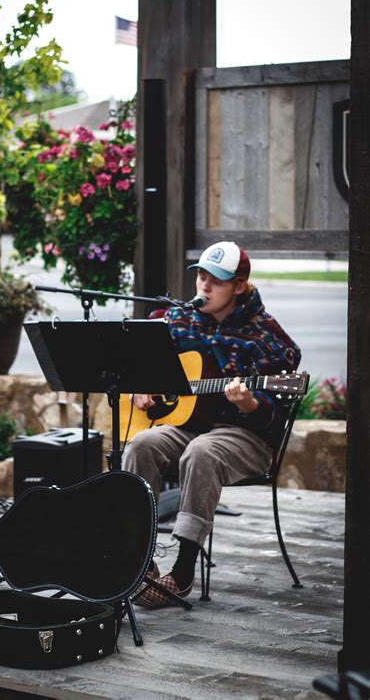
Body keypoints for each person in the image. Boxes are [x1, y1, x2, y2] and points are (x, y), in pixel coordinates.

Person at [122, 241, 301, 609]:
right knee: (141, 445)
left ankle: (183, 571)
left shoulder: (269, 338)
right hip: (188, 425)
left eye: (215, 281)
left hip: (245, 437)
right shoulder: (178, 319)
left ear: (238, 285)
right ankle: (141, 563)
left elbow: (275, 415)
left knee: (200, 453)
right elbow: (134, 359)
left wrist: (251, 402)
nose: (203, 286)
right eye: (201, 276)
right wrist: (137, 387)